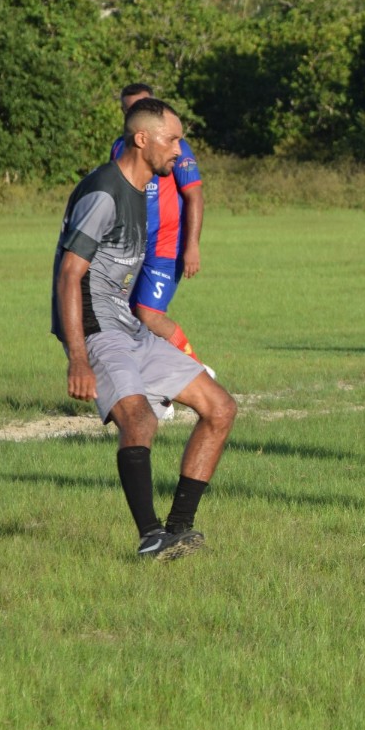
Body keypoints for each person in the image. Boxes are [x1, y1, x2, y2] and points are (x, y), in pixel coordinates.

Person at [53, 97, 238, 561]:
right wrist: (78, 356)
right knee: (141, 420)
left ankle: (178, 528)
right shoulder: (104, 192)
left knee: (220, 408)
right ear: (143, 139)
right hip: (98, 330)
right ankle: (150, 537)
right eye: (173, 140)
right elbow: (69, 274)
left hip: (129, 327)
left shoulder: (141, 188)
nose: (180, 150)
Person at [110, 84, 209, 399]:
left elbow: (194, 196)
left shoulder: (175, 148)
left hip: (165, 246)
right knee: (124, 315)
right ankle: (145, 385)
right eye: (128, 109)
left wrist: (192, 245)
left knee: (149, 314)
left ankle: (197, 371)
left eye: (142, 105)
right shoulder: (118, 147)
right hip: (130, 245)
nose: (135, 113)